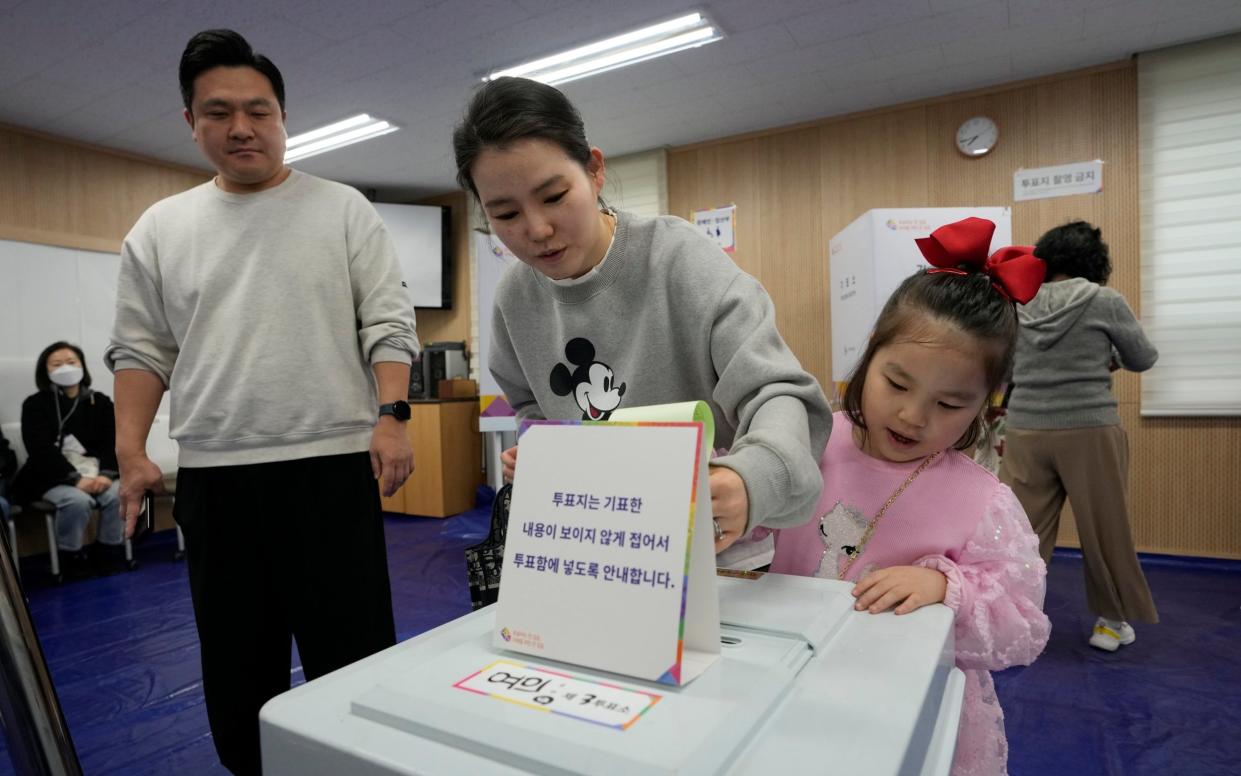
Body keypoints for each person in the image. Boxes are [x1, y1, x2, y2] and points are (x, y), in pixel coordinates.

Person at [105, 29, 418, 775]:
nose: (242, 127)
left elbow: (388, 321)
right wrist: (130, 448)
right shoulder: (160, 228)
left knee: (354, 655)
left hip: (331, 468)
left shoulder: (342, 209)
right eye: (219, 112)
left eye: (260, 110)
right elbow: (142, 349)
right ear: (190, 121)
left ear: (283, 116)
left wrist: (393, 416)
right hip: (216, 479)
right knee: (237, 666)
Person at [452, 77, 830, 548]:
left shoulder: (680, 259)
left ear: (593, 171)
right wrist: (543, 449)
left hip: (718, 546)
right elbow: (534, 405)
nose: (538, 229)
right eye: (505, 215)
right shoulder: (514, 298)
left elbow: (776, 391)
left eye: (553, 196)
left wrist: (752, 477)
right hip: (602, 541)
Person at [762, 218, 1052, 776]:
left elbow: (1022, 624)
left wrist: (948, 587)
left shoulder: (980, 500)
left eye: (949, 404)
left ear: (985, 404)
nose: (913, 417)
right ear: (870, 354)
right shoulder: (808, 440)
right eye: (897, 383)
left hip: (899, 701)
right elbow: (754, 525)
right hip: (788, 678)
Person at [999, 220, 1159, 652]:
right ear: (1095, 263)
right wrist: (1105, 358)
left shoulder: (1019, 304)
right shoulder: (1104, 300)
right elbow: (1142, 358)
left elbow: (1008, 371)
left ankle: (1007, 622)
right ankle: (1109, 625)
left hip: (1026, 428)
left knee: (1021, 532)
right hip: (1089, 428)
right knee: (1105, 528)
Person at [12, 342, 125, 577]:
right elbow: (39, 449)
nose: (65, 367)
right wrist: (74, 479)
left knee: (119, 493)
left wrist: (106, 474)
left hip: (96, 473)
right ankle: (69, 556)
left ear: (82, 366)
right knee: (77, 501)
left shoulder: (100, 402)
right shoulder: (35, 405)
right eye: (57, 363)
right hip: (51, 477)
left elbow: (112, 441)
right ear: (46, 371)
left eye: (71, 362)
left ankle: (108, 550)